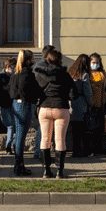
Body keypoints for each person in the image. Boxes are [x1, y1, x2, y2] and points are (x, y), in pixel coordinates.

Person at [34, 47, 77, 178]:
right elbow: (74, 94)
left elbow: (36, 92)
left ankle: (46, 171)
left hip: (45, 108)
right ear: (60, 60)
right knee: (60, 140)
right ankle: (60, 172)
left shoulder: (41, 74)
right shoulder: (66, 75)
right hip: (61, 109)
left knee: (45, 139)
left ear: (47, 60)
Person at [9, 49, 41, 177]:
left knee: (19, 136)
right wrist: (33, 98)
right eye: (32, 59)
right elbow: (25, 89)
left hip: (17, 104)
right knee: (21, 137)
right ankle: (18, 166)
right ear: (28, 60)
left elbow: (11, 89)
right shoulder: (26, 72)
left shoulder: (16, 71)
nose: (33, 61)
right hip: (24, 105)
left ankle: (19, 165)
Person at [67, 54, 93, 157]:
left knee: (74, 130)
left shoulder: (70, 73)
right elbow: (88, 92)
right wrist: (90, 104)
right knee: (84, 130)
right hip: (81, 103)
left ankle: (75, 150)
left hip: (71, 104)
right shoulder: (84, 75)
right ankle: (85, 151)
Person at [88, 53, 106, 154]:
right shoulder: (87, 74)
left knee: (100, 129)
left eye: (97, 62)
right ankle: (91, 148)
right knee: (91, 128)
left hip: (101, 105)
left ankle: (99, 148)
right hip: (91, 105)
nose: (95, 64)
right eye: (93, 62)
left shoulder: (103, 74)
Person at [0, 57, 16, 155]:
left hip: (14, 103)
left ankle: (9, 147)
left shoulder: (14, 75)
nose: (14, 69)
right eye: (13, 67)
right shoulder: (1, 77)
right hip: (5, 104)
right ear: (8, 67)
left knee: (12, 126)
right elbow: (1, 90)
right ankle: (9, 146)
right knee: (9, 124)